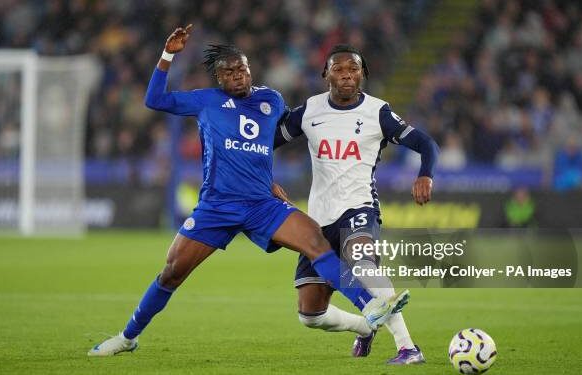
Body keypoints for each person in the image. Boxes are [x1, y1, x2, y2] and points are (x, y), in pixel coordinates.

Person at [88, 27, 410, 356]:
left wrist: (268, 180)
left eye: (242, 68)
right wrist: (167, 55)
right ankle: (127, 337)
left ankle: (370, 306)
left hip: (262, 205)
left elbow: (267, 143)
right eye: (229, 71)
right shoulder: (206, 101)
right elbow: (153, 99)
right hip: (217, 206)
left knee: (317, 242)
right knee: (171, 273)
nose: (238, 76)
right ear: (218, 77)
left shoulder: (271, 100)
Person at [274, 44, 439, 364]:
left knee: (362, 263)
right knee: (310, 314)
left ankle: (408, 348)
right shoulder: (309, 111)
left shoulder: (378, 112)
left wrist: (426, 175)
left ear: (363, 74)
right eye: (339, 69)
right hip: (318, 219)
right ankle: (365, 327)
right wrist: (261, 182)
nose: (347, 75)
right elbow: (264, 144)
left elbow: (425, 143)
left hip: (359, 206)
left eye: (354, 69)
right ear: (326, 74)